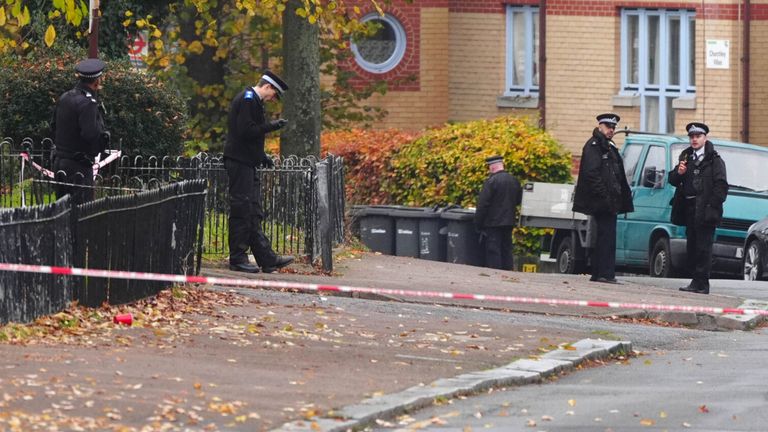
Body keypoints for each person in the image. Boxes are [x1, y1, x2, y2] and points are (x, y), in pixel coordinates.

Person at [224, 71, 294, 273]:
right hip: (239, 162)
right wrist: (271, 127)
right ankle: (237, 258)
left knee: (253, 211)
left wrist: (261, 156)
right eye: (274, 94)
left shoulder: (254, 101)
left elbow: (249, 137)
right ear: (268, 87)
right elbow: (246, 131)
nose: (273, 99)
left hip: (247, 161)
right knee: (241, 210)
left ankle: (267, 258)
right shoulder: (248, 100)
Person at [572, 113, 634, 283]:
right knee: (605, 237)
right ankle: (604, 273)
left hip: (611, 200)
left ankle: (602, 273)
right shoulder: (593, 146)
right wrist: (605, 195)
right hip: (602, 201)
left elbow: (617, 173)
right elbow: (591, 174)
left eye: (613, 128)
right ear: (600, 126)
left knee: (607, 236)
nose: (611, 130)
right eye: (608, 127)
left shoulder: (609, 145)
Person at [669, 122, 728, 294]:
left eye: (698, 136)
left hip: (706, 208)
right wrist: (679, 173)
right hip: (689, 207)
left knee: (704, 246)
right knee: (693, 246)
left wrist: (712, 205)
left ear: (705, 138)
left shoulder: (714, 160)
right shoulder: (686, 157)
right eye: (692, 136)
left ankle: (702, 283)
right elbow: (672, 180)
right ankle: (696, 280)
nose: (694, 139)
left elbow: (721, 186)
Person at [51, 58, 111, 204]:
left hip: (60, 162)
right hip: (79, 166)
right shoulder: (88, 103)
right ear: (96, 82)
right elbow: (90, 134)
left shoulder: (65, 97)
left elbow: (53, 125)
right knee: (81, 214)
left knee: (62, 210)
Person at [474, 155, 522, 270]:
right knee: (507, 248)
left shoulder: (491, 182)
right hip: (509, 221)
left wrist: (477, 223)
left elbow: (483, 205)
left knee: (493, 249)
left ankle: (495, 274)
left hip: (493, 223)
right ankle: (508, 271)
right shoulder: (514, 180)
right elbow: (519, 200)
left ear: (492, 167)